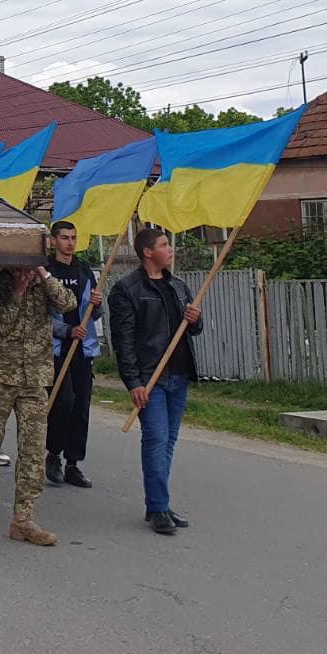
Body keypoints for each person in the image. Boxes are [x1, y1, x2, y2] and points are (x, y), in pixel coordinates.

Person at [0, 265, 73, 546]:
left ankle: (23, 519)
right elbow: (0, 324)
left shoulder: (46, 283)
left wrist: (43, 275)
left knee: (33, 449)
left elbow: (68, 303)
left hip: (35, 377)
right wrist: (18, 292)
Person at [109, 228, 202, 537]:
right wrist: (133, 382)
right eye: (164, 245)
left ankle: (157, 503)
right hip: (151, 378)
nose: (170, 249)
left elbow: (193, 330)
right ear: (148, 252)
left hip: (178, 374)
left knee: (168, 441)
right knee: (156, 439)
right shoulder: (127, 290)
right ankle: (159, 506)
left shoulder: (178, 286)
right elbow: (123, 342)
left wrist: (195, 317)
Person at [46, 221, 102, 488]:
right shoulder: (46, 271)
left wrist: (97, 305)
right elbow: (41, 316)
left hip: (84, 348)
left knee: (81, 406)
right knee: (63, 402)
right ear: (54, 240)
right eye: (65, 237)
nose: (70, 242)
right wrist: (66, 331)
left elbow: (95, 313)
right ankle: (53, 454)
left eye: (73, 237)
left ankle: (73, 463)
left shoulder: (84, 271)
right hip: (58, 348)